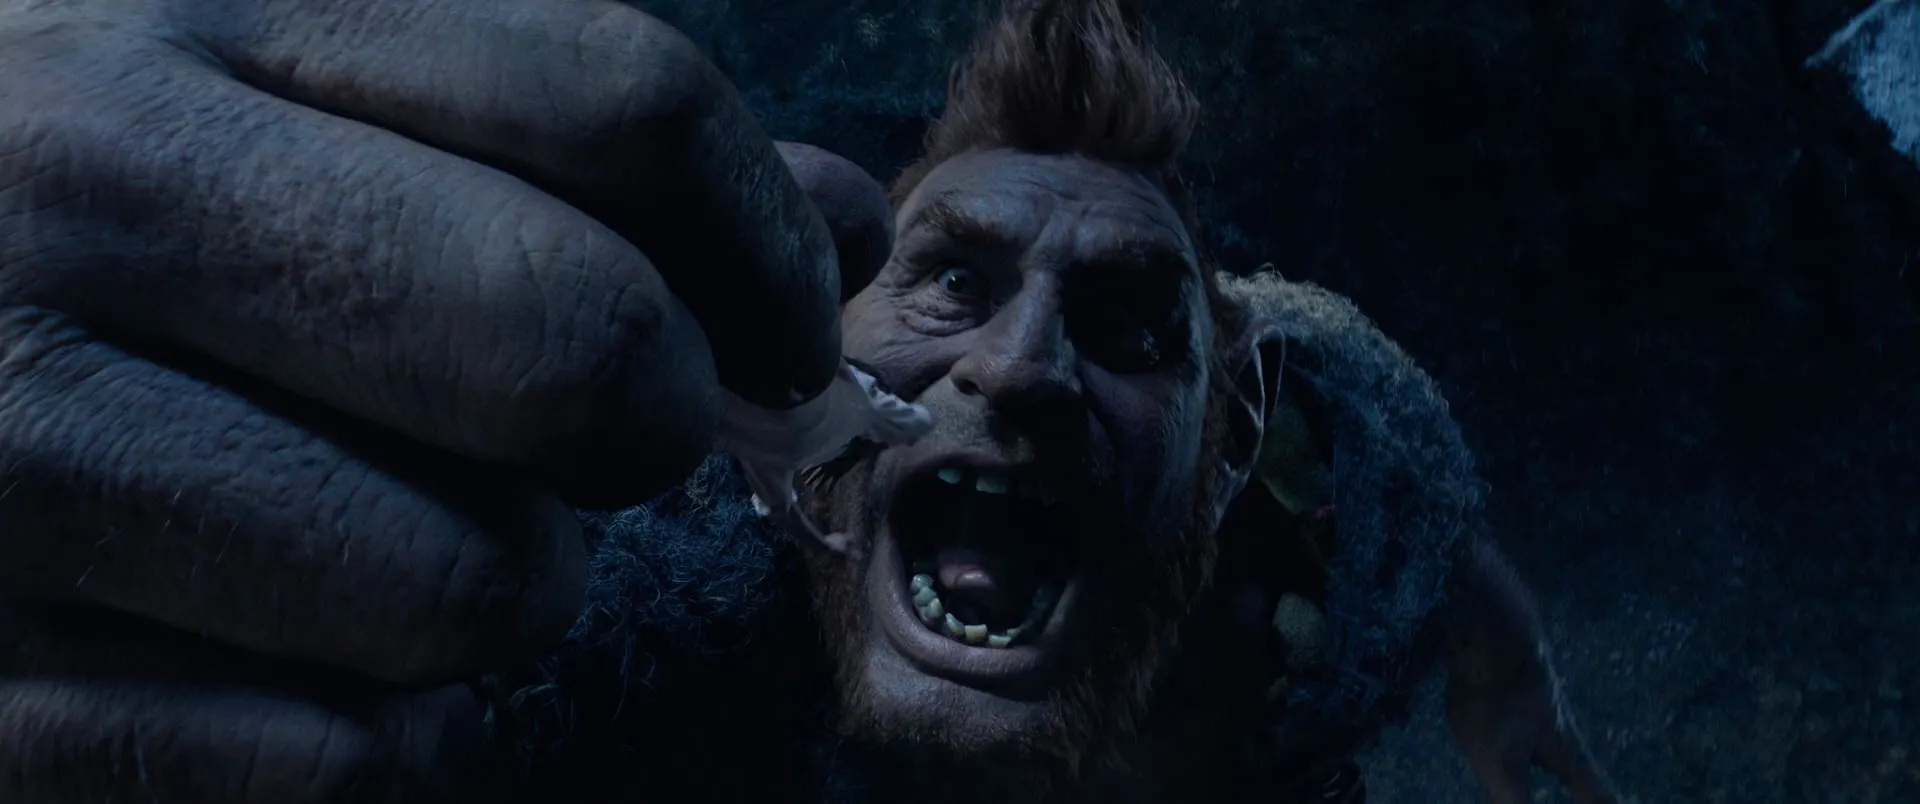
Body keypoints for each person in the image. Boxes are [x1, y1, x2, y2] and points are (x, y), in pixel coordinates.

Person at [0, 0, 1619, 802]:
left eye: (1130, 327)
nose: (1019, 369)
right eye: (952, 284)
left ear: (1237, 433)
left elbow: (1405, 463)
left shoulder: (1338, 495)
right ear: (814, 385)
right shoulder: (671, 596)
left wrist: (1504, 666)